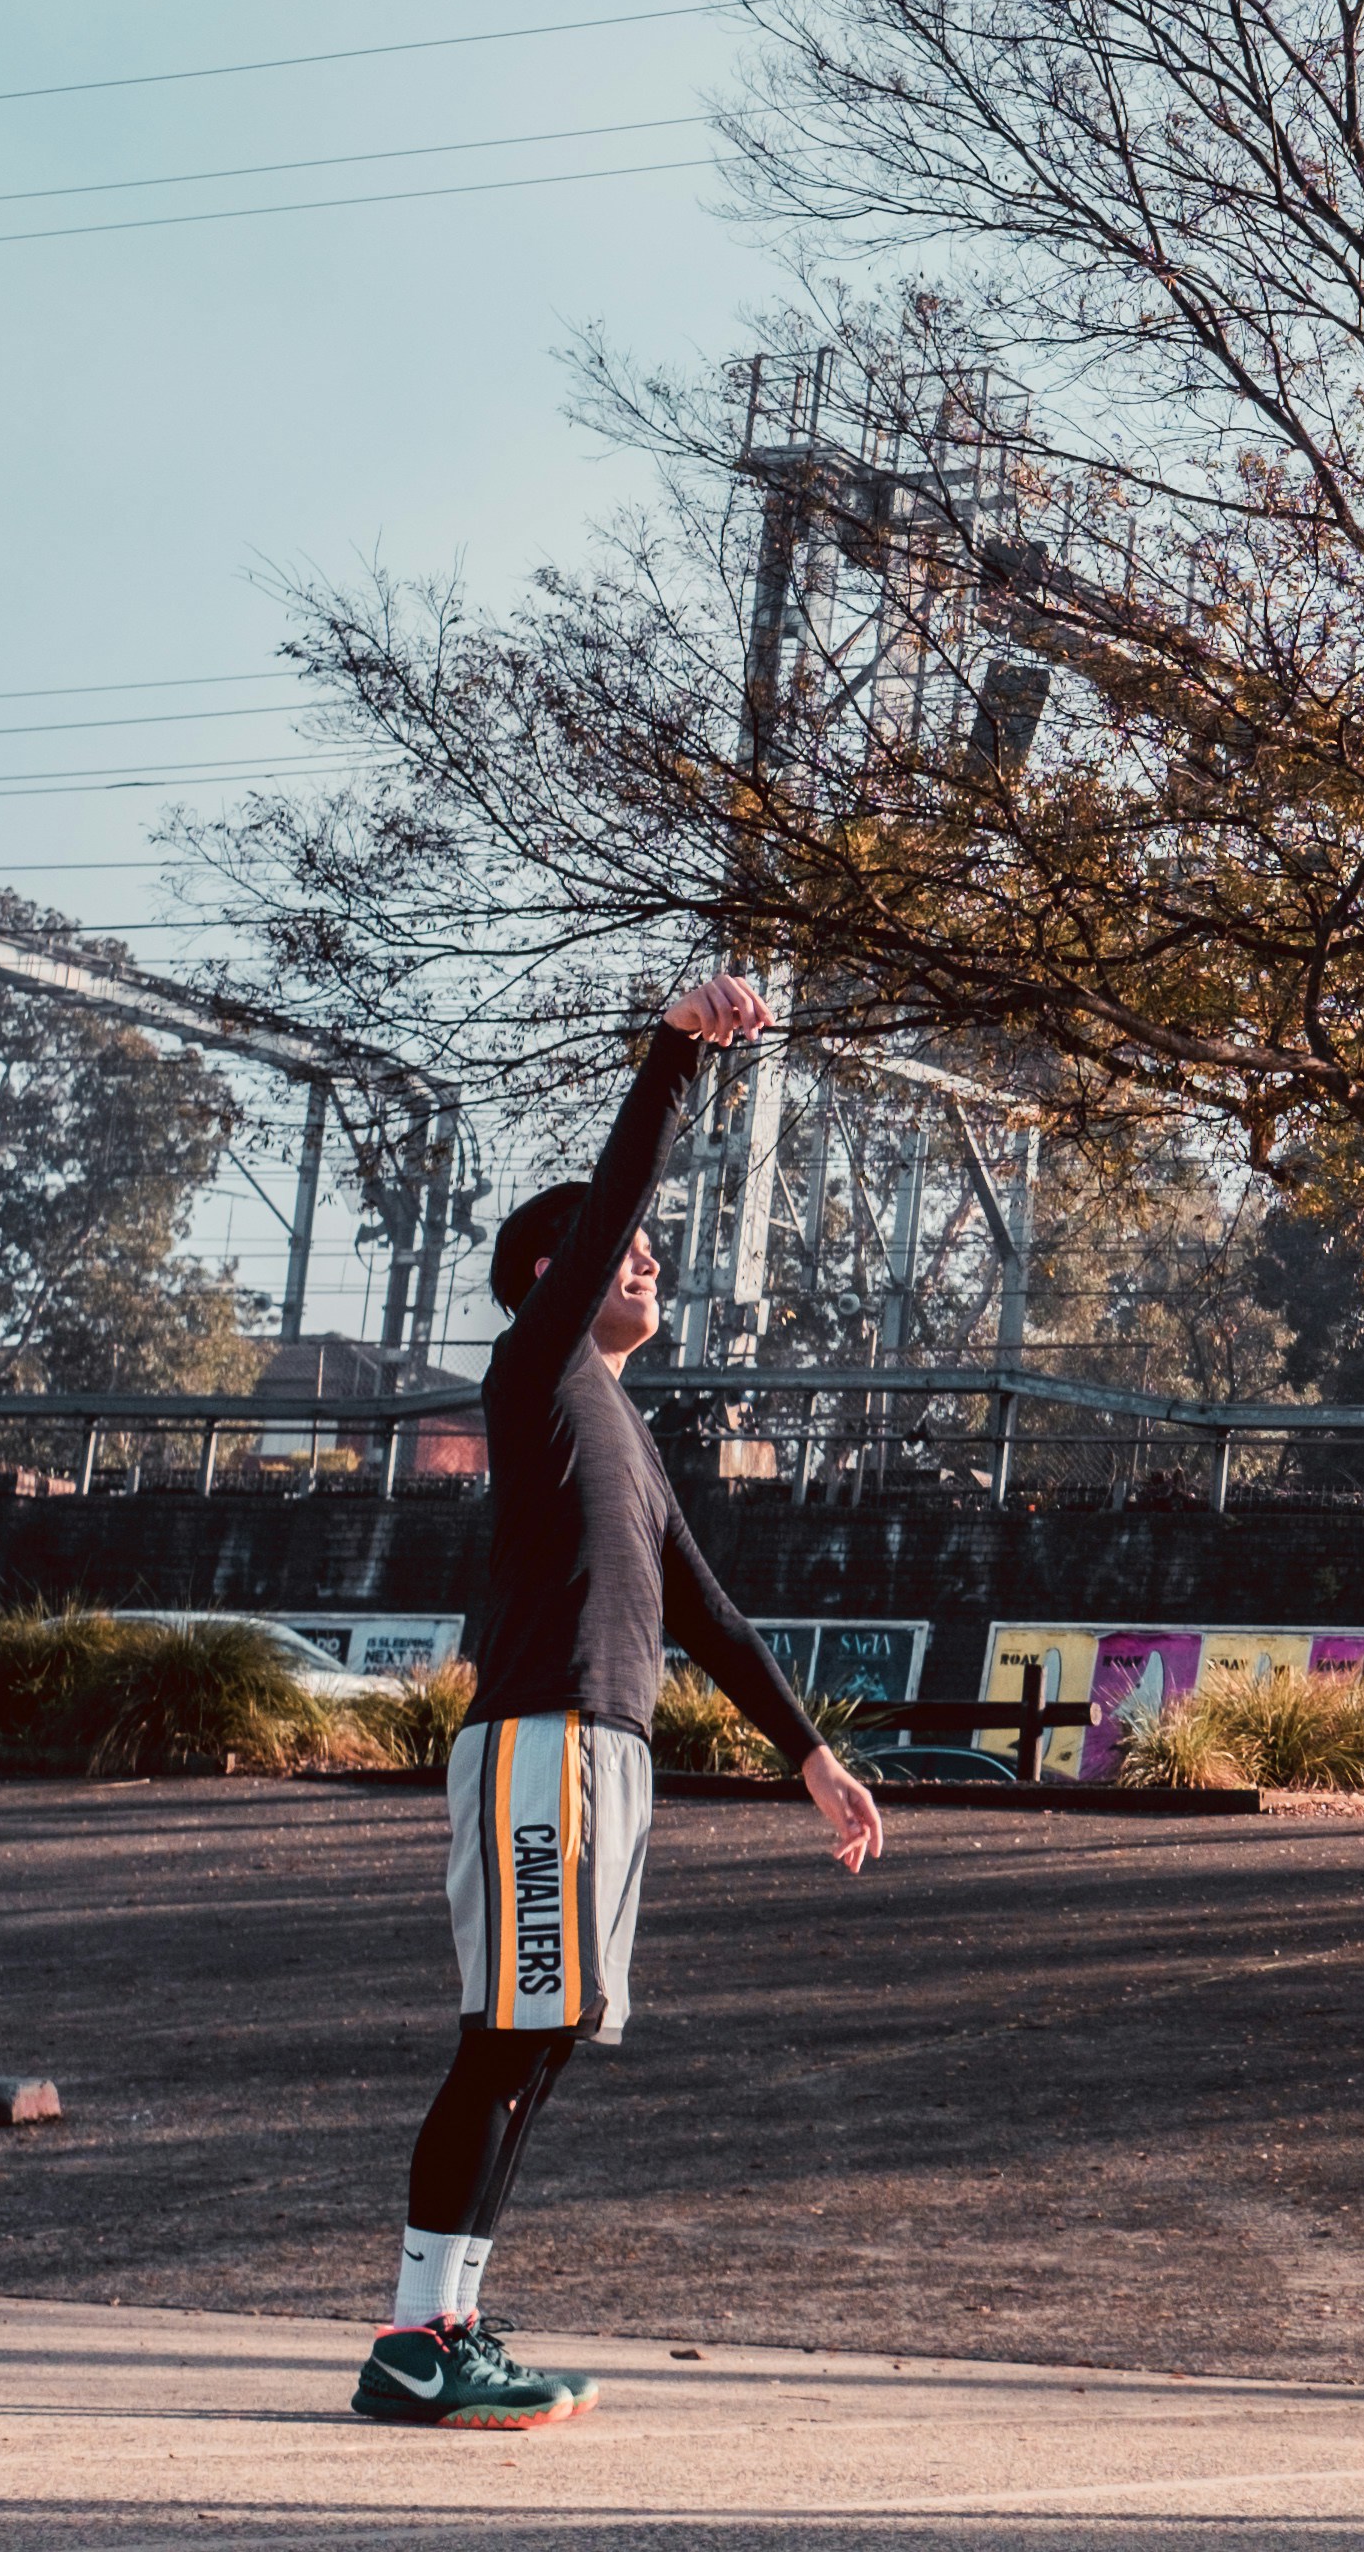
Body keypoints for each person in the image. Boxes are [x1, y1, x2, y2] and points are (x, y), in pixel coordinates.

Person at [353, 976, 887, 2430]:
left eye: (647, 1251)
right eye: (620, 1250)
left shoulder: (622, 1429)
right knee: (508, 2033)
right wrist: (676, 1053)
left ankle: (450, 2322)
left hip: (604, 1751)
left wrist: (811, 1755)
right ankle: (415, 2337)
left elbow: (704, 1609)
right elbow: (609, 1212)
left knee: (543, 2037)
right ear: (554, 1277)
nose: (648, 1260)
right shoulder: (537, 1369)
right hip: (544, 1740)